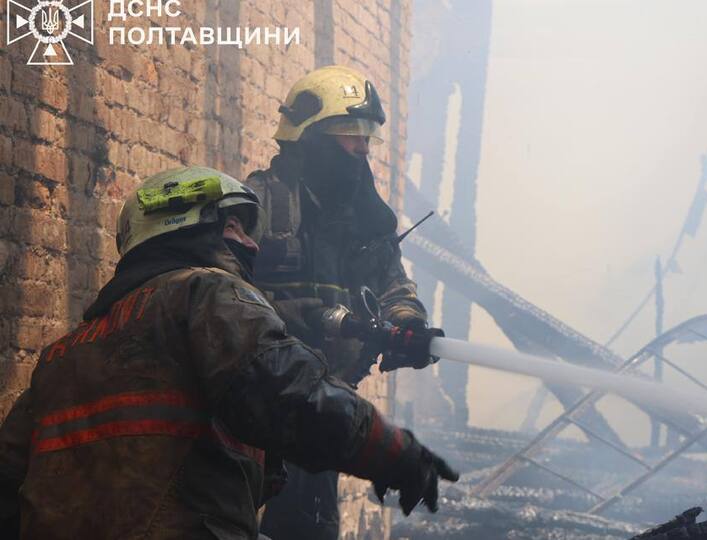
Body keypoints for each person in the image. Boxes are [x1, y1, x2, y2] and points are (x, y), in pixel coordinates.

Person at [0, 166, 458, 539]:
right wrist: (391, 450)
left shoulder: (61, 355)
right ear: (184, 225)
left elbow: (8, 487)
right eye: (235, 225)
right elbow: (288, 392)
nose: (253, 244)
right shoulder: (205, 292)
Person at [247, 65, 442, 538]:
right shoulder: (259, 203)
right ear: (310, 136)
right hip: (256, 404)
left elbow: (394, 285)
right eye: (350, 132)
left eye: (366, 135)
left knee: (309, 528)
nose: (362, 147)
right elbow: (222, 292)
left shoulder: (365, 218)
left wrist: (407, 323)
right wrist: (301, 317)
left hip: (324, 406)